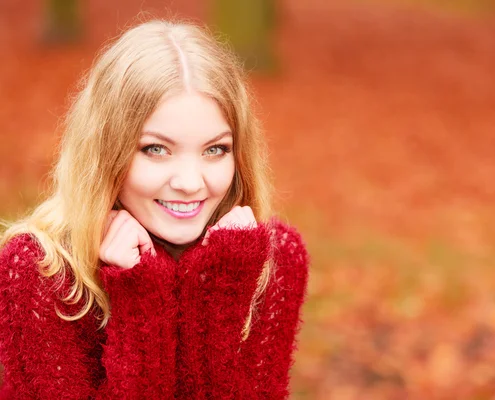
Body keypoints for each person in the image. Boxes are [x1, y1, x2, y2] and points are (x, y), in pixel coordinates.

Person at [0, 19, 309, 399]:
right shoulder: (39, 268)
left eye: (215, 149)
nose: (190, 182)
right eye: (156, 149)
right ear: (107, 152)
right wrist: (140, 300)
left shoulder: (271, 259)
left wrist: (222, 286)